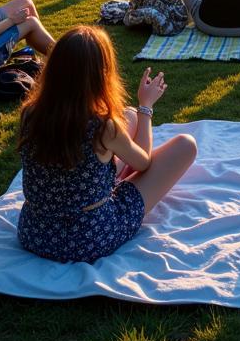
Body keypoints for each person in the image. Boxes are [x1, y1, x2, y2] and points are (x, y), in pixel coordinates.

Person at [17, 26, 197, 262]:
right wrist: (146, 107)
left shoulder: (30, 114)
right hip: (90, 237)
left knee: (127, 116)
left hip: (35, 233)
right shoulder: (102, 127)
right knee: (186, 145)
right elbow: (143, 162)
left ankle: (114, 169)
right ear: (101, 74)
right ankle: (118, 173)